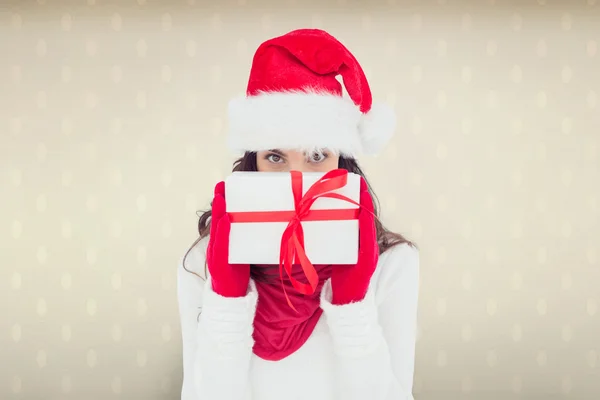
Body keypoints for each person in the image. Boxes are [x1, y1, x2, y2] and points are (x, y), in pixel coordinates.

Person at [177, 28, 420, 400]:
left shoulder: (393, 265)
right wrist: (226, 302)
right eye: (275, 157)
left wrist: (352, 307)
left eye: (317, 156)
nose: (297, 179)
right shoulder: (201, 263)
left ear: (343, 160)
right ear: (253, 161)